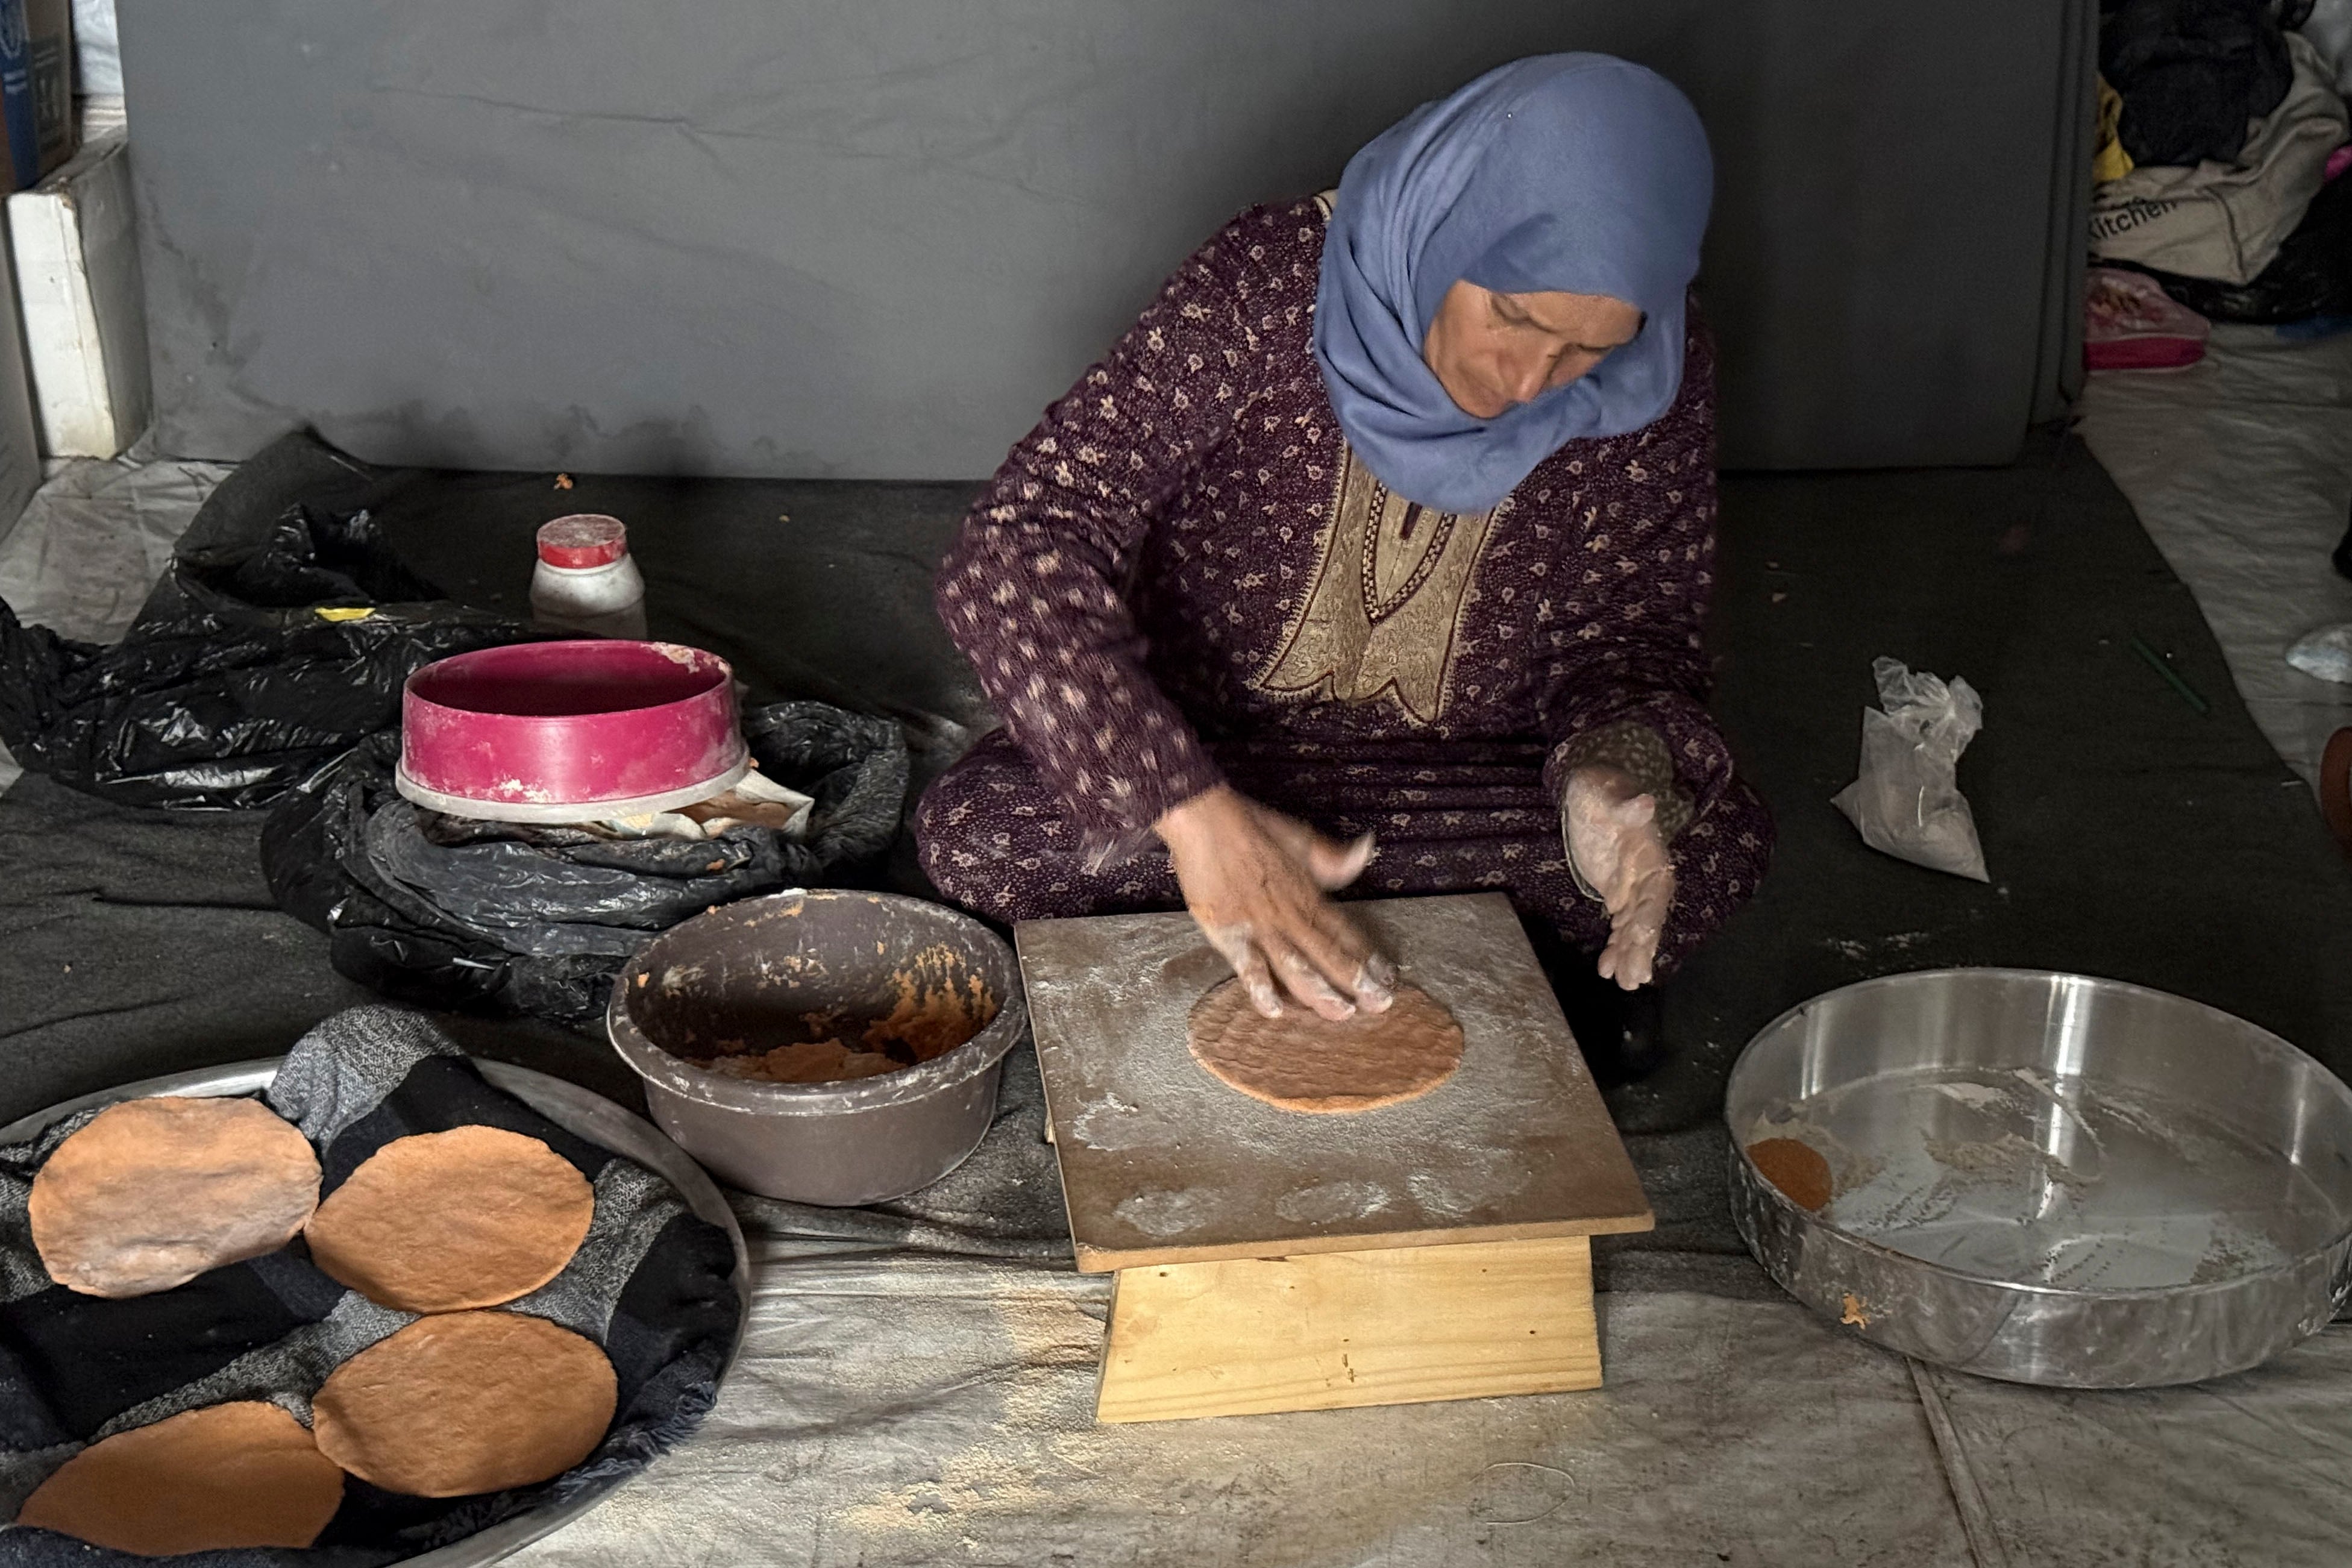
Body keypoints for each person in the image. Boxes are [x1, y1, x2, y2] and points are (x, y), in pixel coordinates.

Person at [914, 54, 1772, 1054]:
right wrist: (1191, 817)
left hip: (1470, 783)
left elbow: (1632, 635)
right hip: (1212, 760)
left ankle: (1284, 934)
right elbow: (1020, 542)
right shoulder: (1271, 286)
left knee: (1711, 842)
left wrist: (1604, 786)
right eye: (1513, 313)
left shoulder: (1659, 376)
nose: (1535, 378)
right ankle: (1352, 924)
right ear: (1448, 227)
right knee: (982, 830)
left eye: (1591, 348)